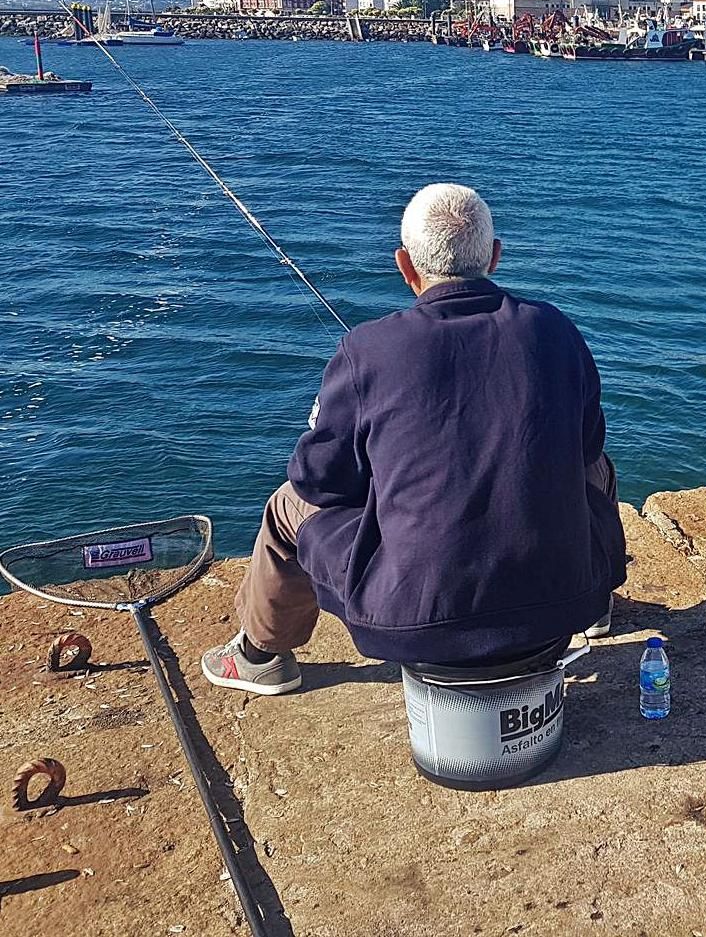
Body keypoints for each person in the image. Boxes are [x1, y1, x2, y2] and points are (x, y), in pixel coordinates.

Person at [202, 183, 627, 695]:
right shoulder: (556, 330)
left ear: (406, 266)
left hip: (410, 618)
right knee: (595, 467)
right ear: (494, 256)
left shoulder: (367, 349)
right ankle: (597, 606)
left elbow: (320, 481)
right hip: (566, 598)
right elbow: (586, 447)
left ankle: (259, 656)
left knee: (286, 507)